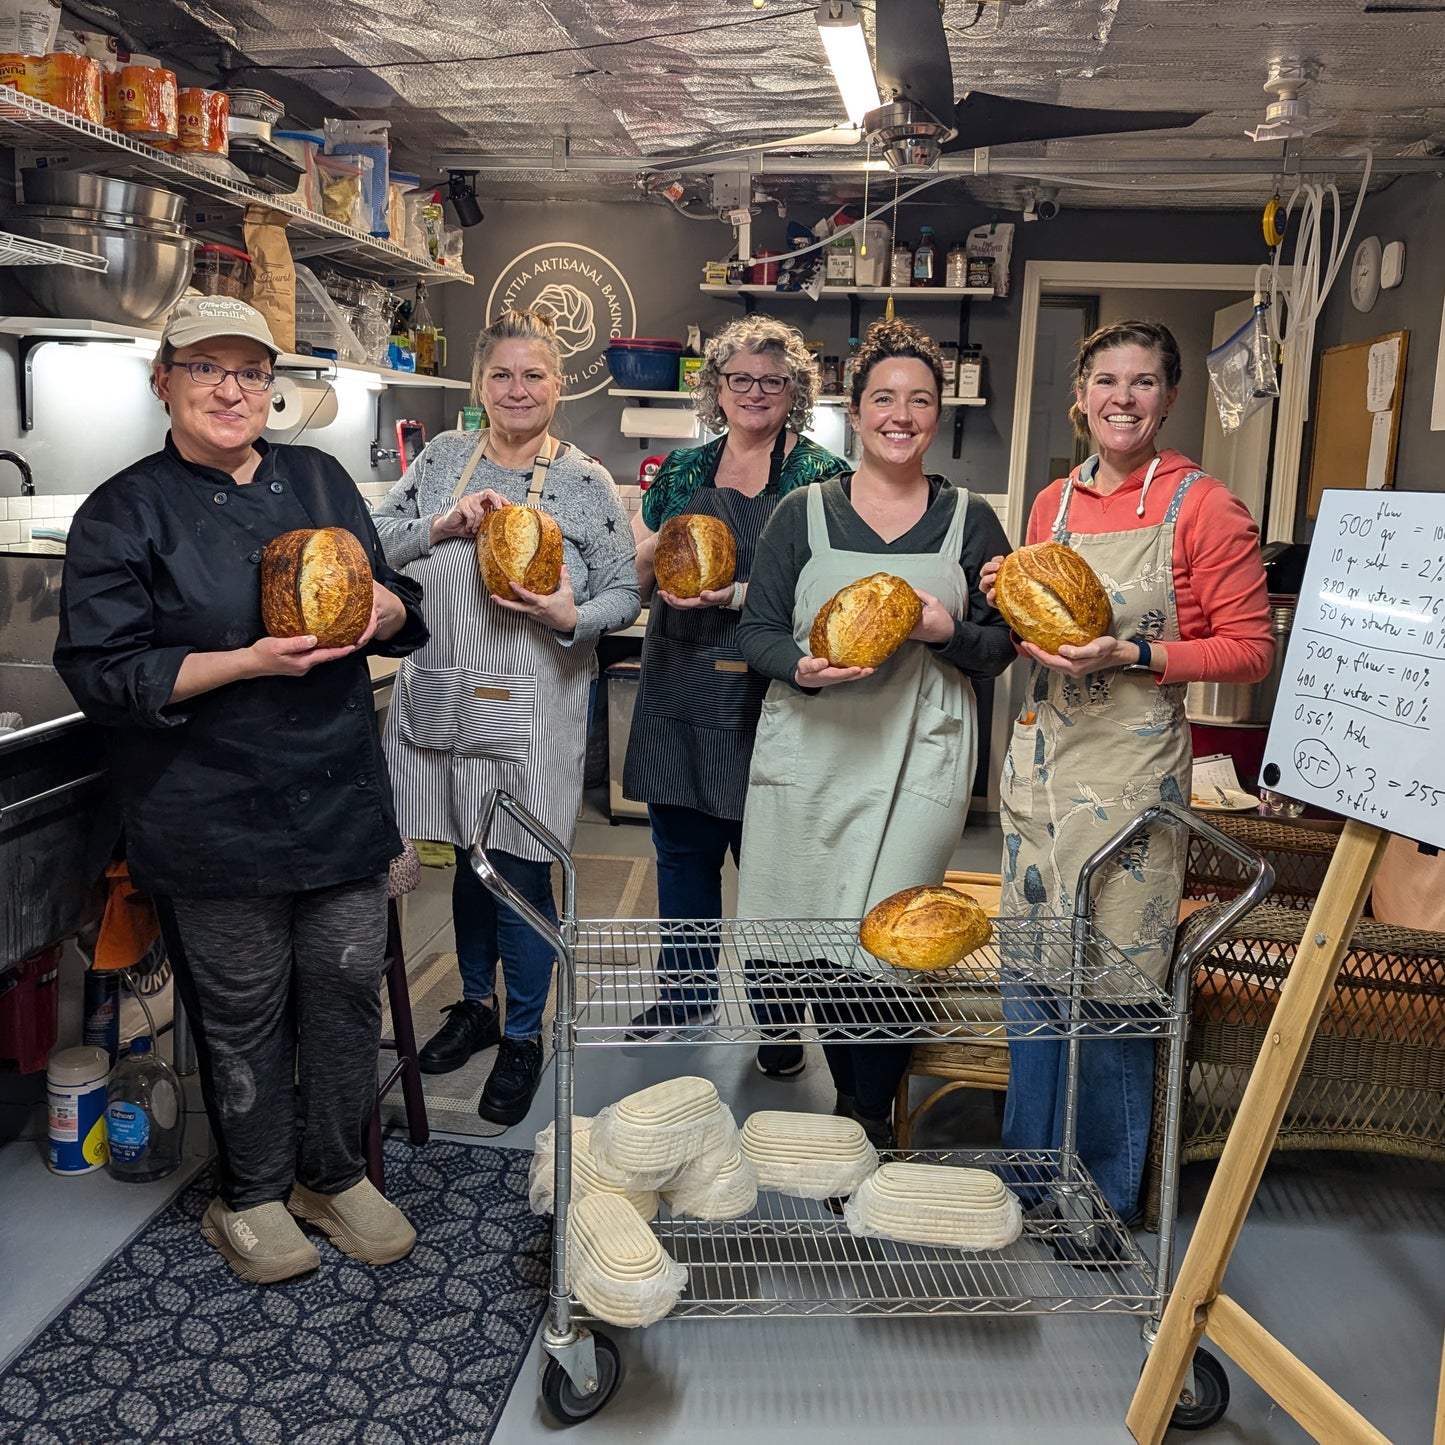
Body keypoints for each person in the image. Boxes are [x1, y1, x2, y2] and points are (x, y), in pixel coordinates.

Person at [54, 296, 427, 1285]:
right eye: (206, 368)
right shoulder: (124, 510)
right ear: (163, 379)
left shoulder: (316, 475)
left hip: (340, 797)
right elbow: (104, 674)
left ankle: (332, 1172)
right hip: (208, 808)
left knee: (346, 989)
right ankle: (250, 1192)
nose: (231, 389)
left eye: (250, 371)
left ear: (274, 386)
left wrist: (387, 606)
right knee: (244, 1008)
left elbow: (390, 596)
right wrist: (248, 661)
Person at [981, 319, 1273, 1232]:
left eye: (1142, 381)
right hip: (1041, 763)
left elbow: (1250, 650)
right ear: (1079, 395)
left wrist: (1136, 649)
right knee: (1030, 972)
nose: (1121, 396)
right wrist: (1008, 592)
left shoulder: (1202, 505)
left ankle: (1103, 1198)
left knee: (1115, 981)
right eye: (1105, 379)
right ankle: (1028, 1175)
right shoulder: (1051, 505)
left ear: (1167, 397)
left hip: (1133, 774)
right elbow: (1036, 633)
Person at [734, 317, 1015, 1145]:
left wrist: (943, 633)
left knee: (894, 942)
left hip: (916, 754)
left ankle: (862, 1113)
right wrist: (799, 665)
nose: (901, 414)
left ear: (938, 414)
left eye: (919, 399)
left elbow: (1001, 647)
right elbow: (754, 631)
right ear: (853, 413)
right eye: (883, 398)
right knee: (815, 938)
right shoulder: (802, 513)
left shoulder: (972, 520)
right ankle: (847, 1097)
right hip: (811, 744)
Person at [373, 307, 639, 1127]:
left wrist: (570, 614)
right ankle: (475, 1004)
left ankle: (525, 1030)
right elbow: (377, 542)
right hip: (444, 694)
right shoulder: (444, 459)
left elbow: (625, 593)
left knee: (519, 868)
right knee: (464, 852)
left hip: (531, 707)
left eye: (533, 375)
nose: (516, 389)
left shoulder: (585, 481)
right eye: (501, 375)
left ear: (558, 387)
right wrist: (441, 525)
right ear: (480, 385)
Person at [622, 315, 847, 1078]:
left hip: (768, 688)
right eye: (739, 379)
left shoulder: (821, 478)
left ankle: (778, 1021)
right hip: (678, 678)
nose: (754, 393)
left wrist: (737, 592)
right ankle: (684, 995)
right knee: (681, 854)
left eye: (771, 381)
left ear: (795, 393)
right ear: (714, 388)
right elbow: (643, 564)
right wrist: (645, 569)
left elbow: (825, 598)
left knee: (772, 862)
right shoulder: (682, 473)